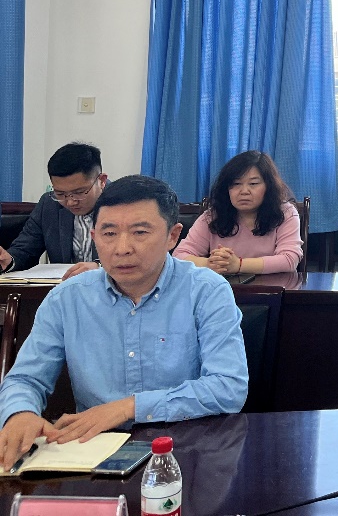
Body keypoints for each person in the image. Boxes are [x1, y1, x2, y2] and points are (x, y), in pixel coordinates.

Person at [0, 175, 249, 469]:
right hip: (93, 454)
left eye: (140, 232)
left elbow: (228, 387)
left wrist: (128, 407)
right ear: (94, 237)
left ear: (173, 236)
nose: (122, 248)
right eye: (109, 233)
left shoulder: (206, 291)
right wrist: (20, 412)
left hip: (186, 450)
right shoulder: (66, 298)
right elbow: (25, 379)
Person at [175, 150, 303, 275]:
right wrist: (210, 263)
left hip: (273, 287)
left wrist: (239, 265)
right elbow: (179, 255)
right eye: (236, 184)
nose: (244, 191)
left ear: (269, 187)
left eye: (253, 183)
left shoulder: (285, 213)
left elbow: (289, 259)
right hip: (223, 287)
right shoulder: (213, 216)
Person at [0, 142, 108, 280]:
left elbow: (133, 256)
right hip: (63, 288)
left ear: (102, 180)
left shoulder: (123, 203)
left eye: (79, 192)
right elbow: (25, 250)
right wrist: (9, 260)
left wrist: (99, 267)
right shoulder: (49, 204)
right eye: (60, 193)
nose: (70, 202)